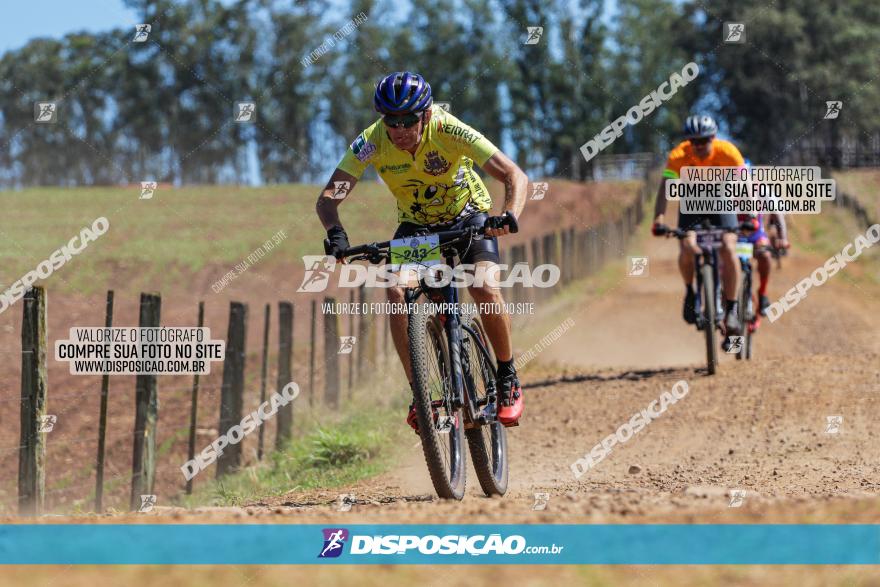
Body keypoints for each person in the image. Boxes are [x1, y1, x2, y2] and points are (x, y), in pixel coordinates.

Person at [315, 71, 528, 428]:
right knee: (396, 289)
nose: (399, 129)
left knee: (483, 287)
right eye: (391, 120)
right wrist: (335, 231)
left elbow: (513, 175)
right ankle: (420, 395)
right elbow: (328, 198)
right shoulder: (371, 142)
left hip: (469, 217)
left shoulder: (448, 129)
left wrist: (508, 214)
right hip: (419, 228)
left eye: (408, 120)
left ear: (425, 115)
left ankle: (507, 376)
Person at [652, 114, 745, 335]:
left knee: (729, 247)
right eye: (694, 142)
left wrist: (749, 214)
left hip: (721, 200)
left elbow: (746, 184)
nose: (699, 146)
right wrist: (659, 219)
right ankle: (690, 291)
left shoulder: (728, 152)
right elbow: (665, 188)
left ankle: (731, 308)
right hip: (691, 204)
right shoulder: (678, 156)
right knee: (686, 246)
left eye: (704, 141)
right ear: (688, 142)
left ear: (713, 138)